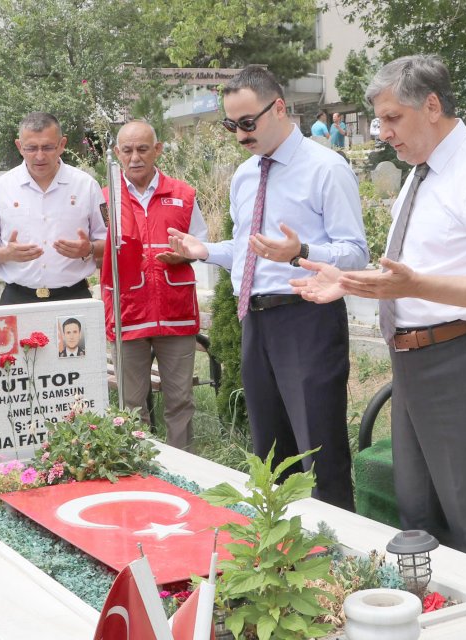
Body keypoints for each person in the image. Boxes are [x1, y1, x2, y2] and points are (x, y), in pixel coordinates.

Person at [291, 55, 466, 572]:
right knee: (420, 520)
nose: (383, 133)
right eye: (379, 120)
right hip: (414, 363)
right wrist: (350, 283)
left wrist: (416, 284)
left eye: (391, 118)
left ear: (431, 106)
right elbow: (412, 278)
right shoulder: (419, 175)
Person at [167, 65, 369, 511]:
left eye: (247, 123)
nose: (239, 135)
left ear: (278, 108)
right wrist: (206, 250)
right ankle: (282, 559)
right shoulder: (245, 175)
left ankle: (338, 562)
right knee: (272, 455)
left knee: (319, 452)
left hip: (307, 317)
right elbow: (248, 249)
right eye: (230, 125)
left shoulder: (325, 169)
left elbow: (356, 252)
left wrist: (301, 252)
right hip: (256, 322)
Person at [100, 120, 207, 452]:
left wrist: (184, 257)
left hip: (174, 312)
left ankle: (185, 471)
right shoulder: (105, 197)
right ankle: (141, 471)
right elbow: (94, 250)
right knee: (131, 406)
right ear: (118, 153)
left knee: (180, 401)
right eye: (128, 150)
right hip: (127, 312)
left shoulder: (183, 194)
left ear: (157, 150)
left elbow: (201, 244)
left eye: (143, 149)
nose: (135, 157)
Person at [0, 112, 106, 305]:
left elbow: (110, 243)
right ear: (19, 146)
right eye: (31, 148)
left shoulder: (86, 186)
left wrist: (90, 248)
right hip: (17, 298)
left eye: (48, 147)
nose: (40, 156)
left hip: (73, 298)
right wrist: (7, 254)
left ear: (62, 145)